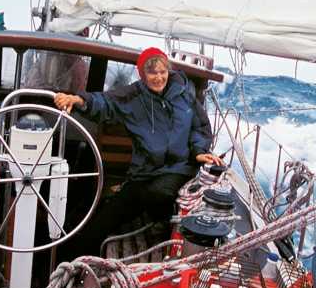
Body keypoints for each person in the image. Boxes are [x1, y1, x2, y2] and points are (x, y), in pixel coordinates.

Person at [53, 47, 222, 255]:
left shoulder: (184, 93)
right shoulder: (133, 96)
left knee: (159, 192)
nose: (158, 78)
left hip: (179, 168)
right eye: (152, 73)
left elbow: (199, 125)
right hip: (143, 173)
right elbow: (105, 102)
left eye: (162, 72)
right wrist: (78, 100)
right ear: (142, 74)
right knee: (99, 226)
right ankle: (70, 258)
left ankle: (162, 224)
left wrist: (198, 150)